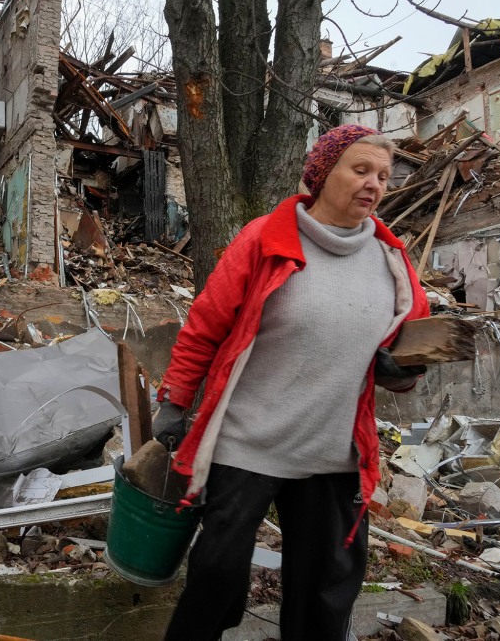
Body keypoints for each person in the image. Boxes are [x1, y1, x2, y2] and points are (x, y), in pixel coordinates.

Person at [154, 124, 430, 641]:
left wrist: (403, 372)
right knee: (217, 574)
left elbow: (411, 350)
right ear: (323, 174)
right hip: (248, 441)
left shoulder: (393, 262)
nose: (374, 183)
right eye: (361, 169)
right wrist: (176, 399)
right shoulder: (266, 238)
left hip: (333, 454)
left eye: (384, 176)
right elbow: (206, 324)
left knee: (325, 592)